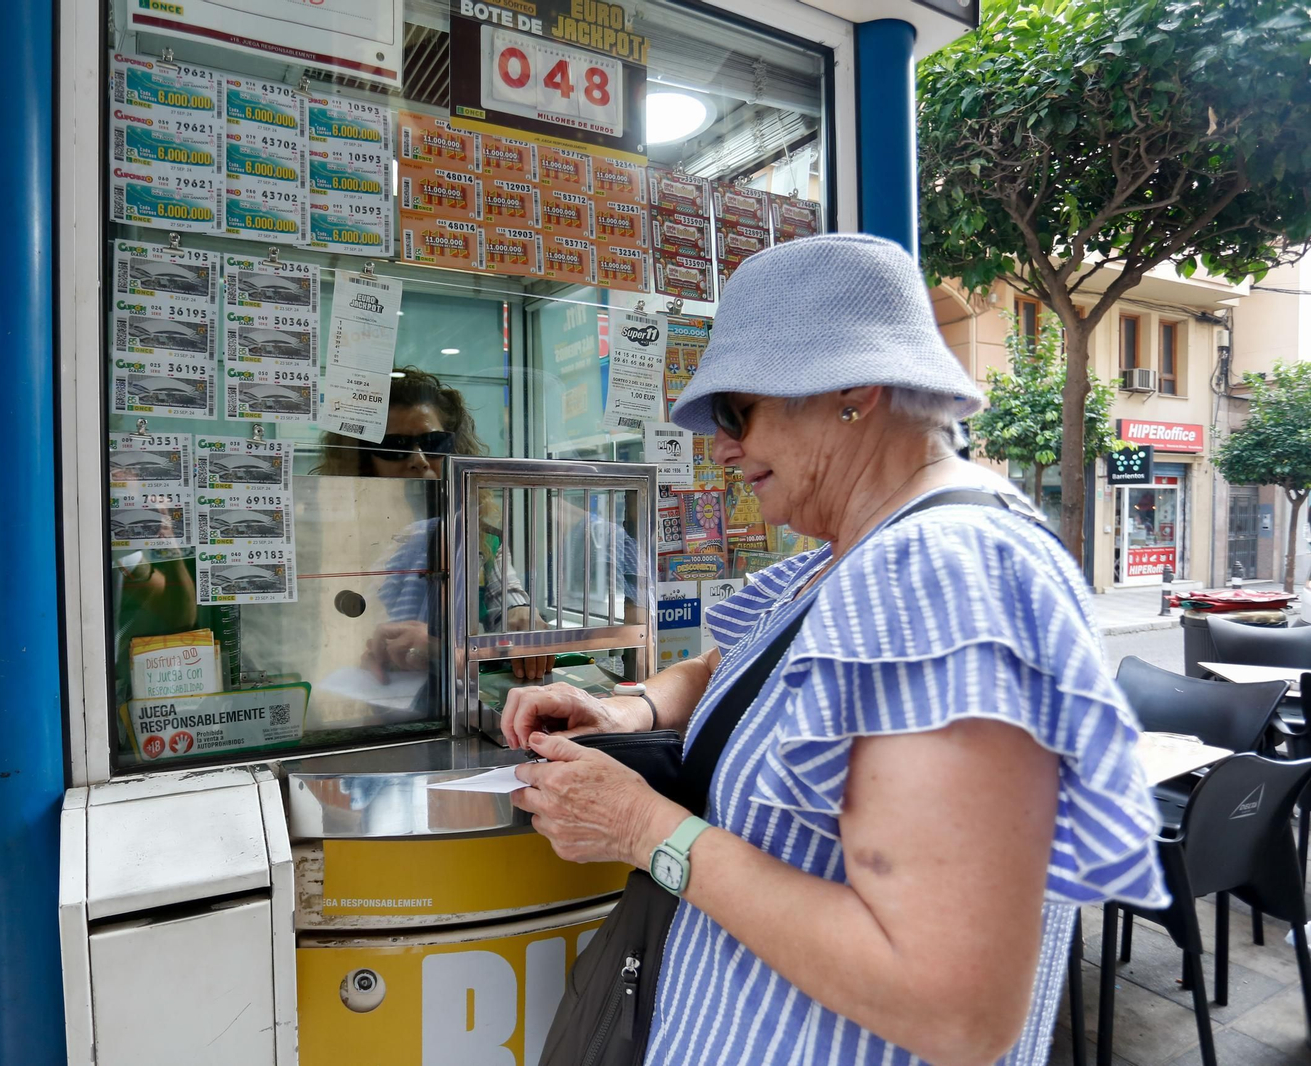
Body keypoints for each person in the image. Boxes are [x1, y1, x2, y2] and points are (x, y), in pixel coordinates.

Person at [502, 235, 1166, 1066]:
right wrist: (628, 709)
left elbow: (953, 1004)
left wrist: (645, 830)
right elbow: (730, 666)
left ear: (854, 390)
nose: (722, 447)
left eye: (736, 412)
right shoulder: (846, 559)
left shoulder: (940, 571)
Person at [316, 367, 555, 681]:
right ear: (363, 458)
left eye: (434, 442)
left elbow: (508, 601)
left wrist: (521, 615)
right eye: (394, 446)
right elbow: (327, 637)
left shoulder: (476, 538)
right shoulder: (333, 537)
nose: (418, 460)